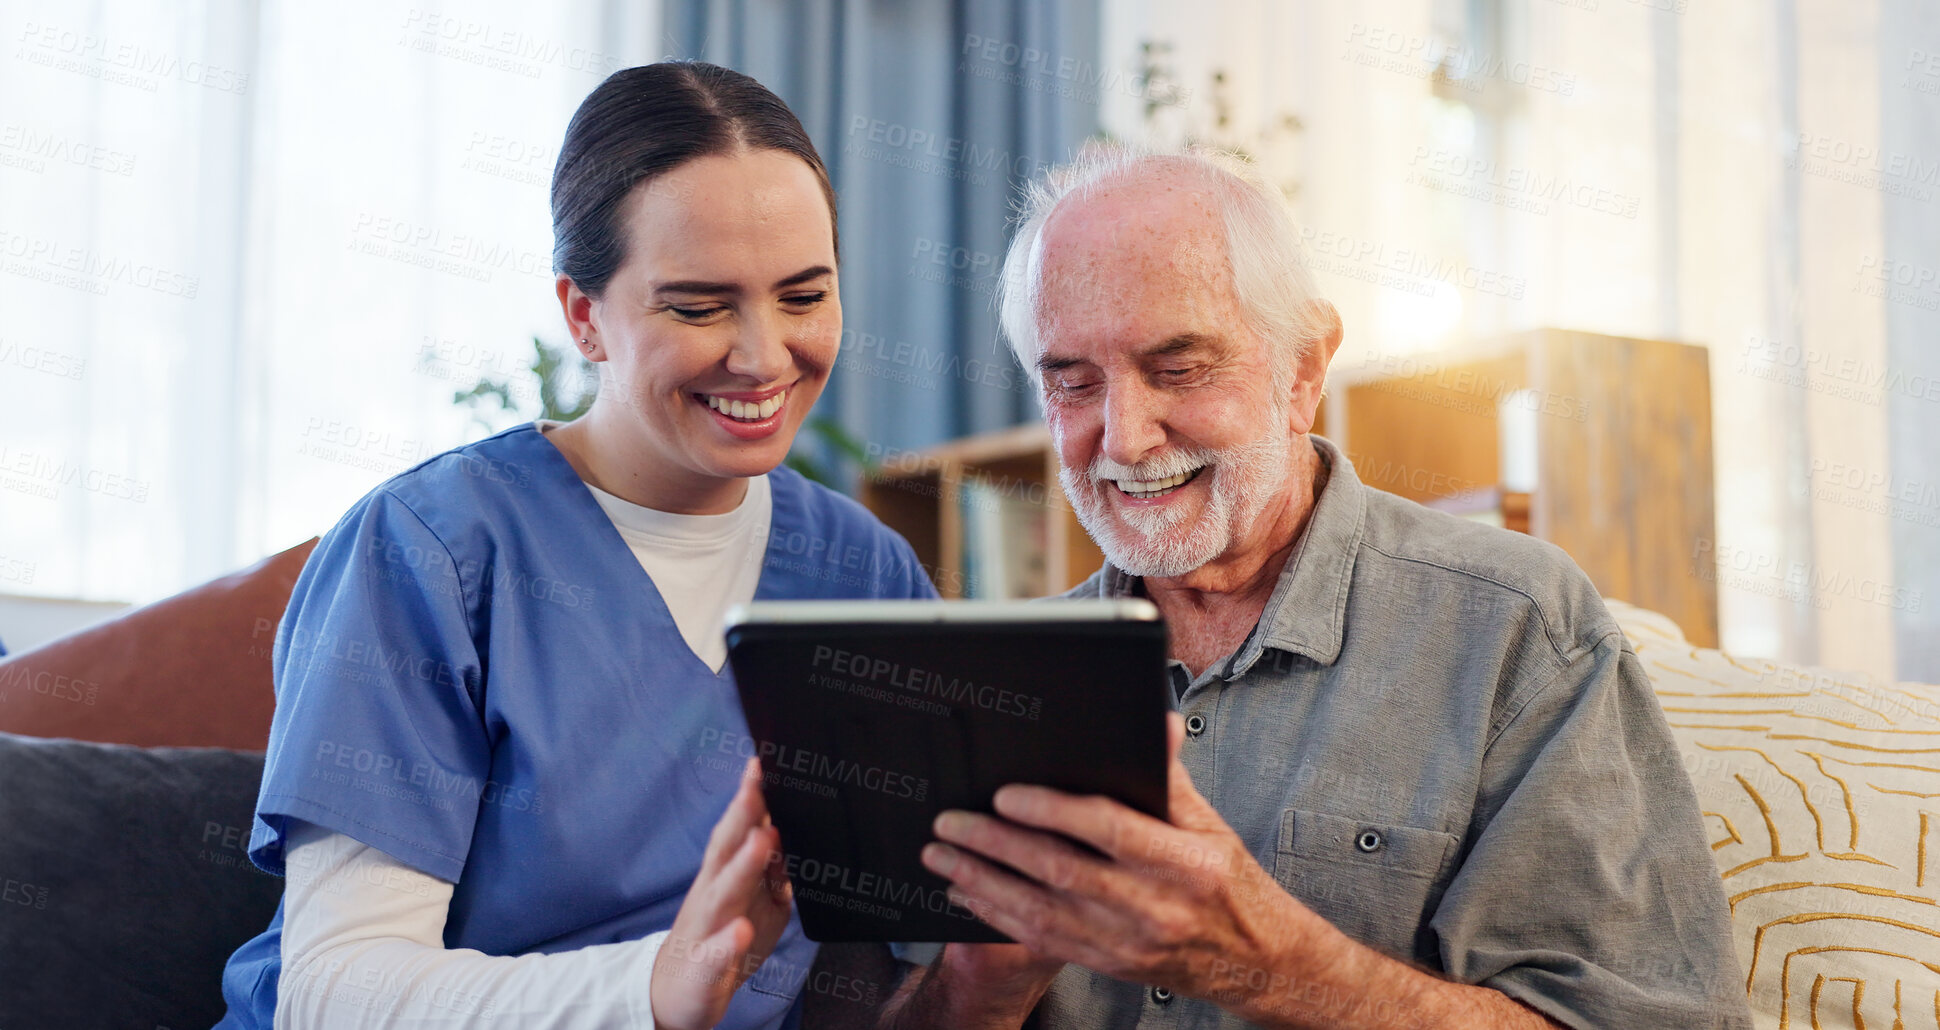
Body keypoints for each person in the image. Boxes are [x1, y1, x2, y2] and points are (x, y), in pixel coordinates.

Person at [806, 144, 1753, 1029]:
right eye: (1073, 384)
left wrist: (1263, 960)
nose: (1125, 438)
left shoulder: (1512, 626)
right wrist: (980, 982)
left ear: (1304, 370)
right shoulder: (989, 680)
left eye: (1177, 367)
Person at [216, 62, 936, 1030]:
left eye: (803, 296)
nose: (764, 355)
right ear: (582, 316)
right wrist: (657, 986)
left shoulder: (865, 574)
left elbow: (911, 932)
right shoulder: (426, 552)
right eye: (697, 305)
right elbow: (332, 989)